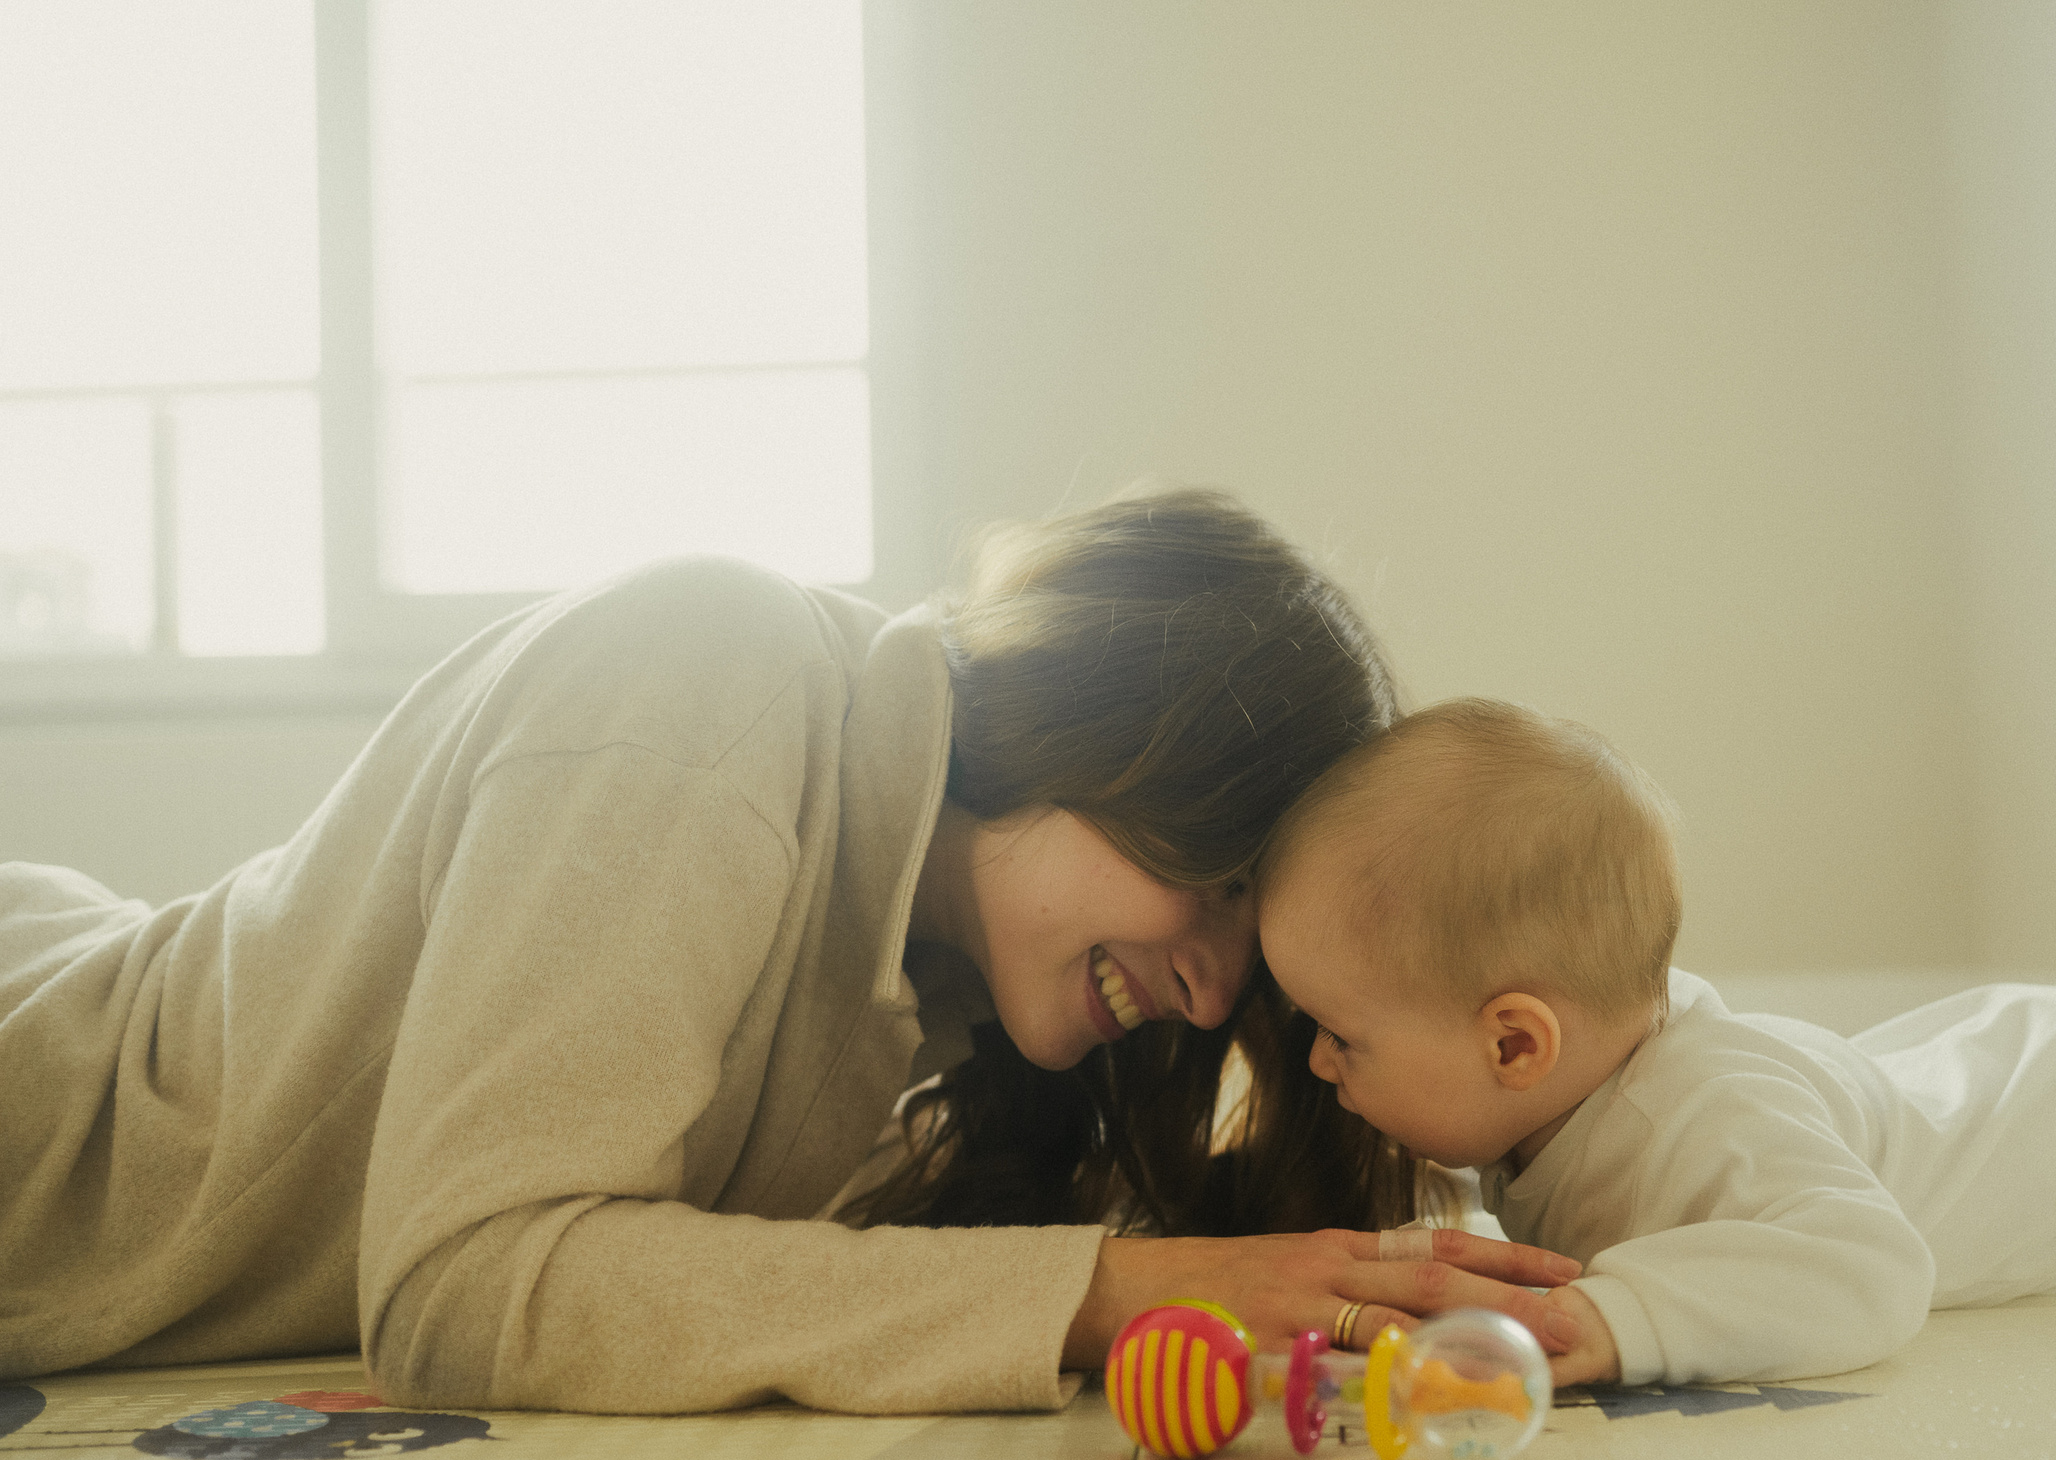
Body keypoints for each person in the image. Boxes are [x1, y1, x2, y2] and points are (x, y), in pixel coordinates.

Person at [0, 494, 1585, 1412]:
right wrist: (1107, 1291)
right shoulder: (720, 670)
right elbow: (463, 1285)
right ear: (1109, 730)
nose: (1218, 986)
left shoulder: (948, 987)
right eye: (1218, 883)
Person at [1255, 697, 2056, 1390]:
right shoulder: (1583, 1071)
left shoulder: (1699, 1117)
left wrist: (1622, 1314)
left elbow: (1872, 1270)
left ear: (1517, 1042)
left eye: (1340, 1035)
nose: (1317, 1063)